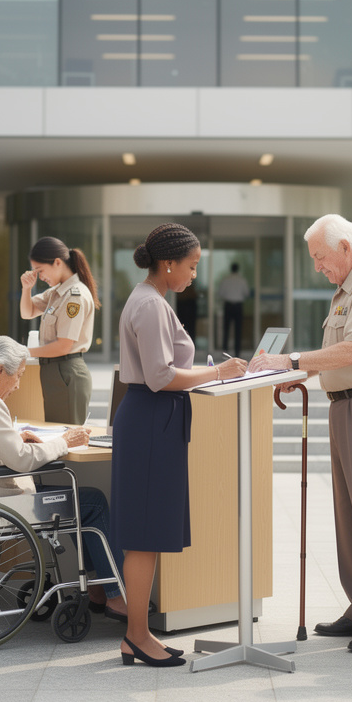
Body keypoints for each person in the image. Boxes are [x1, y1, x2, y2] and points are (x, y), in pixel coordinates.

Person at [249, 213, 352, 654]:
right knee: (351, 516)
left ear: (345, 247)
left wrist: (291, 362)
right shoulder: (346, 289)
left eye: (321, 257)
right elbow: (342, 359)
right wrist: (299, 375)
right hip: (348, 405)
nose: (318, 267)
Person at [113, 223, 247, 668]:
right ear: (168, 263)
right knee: (144, 535)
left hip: (153, 418)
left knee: (146, 534)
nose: (193, 275)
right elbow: (161, 376)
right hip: (152, 417)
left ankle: (138, 634)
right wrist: (219, 373)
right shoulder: (151, 305)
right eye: (191, 266)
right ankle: (136, 635)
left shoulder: (150, 300)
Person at [0, 336, 128, 620]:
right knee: (93, 502)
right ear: (0, 370)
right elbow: (22, 460)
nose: (18, 384)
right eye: (19, 375)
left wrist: (15, 437)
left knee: (81, 501)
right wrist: (65, 441)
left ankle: (99, 591)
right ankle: (116, 595)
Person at [19, 236, 99, 424]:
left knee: (67, 441)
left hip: (66, 372)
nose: (40, 276)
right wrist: (26, 289)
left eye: (40, 270)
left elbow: (63, 346)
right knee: (57, 438)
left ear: (57, 262)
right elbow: (27, 312)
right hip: (55, 372)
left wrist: (24, 351)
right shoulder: (57, 292)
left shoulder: (73, 296)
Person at [218, 263, 250, 357]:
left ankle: (225, 352)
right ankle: (237, 353)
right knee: (238, 330)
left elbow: (221, 293)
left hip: (228, 306)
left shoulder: (226, 280)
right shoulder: (242, 280)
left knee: (226, 329)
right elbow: (246, 293)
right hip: (238, 307)